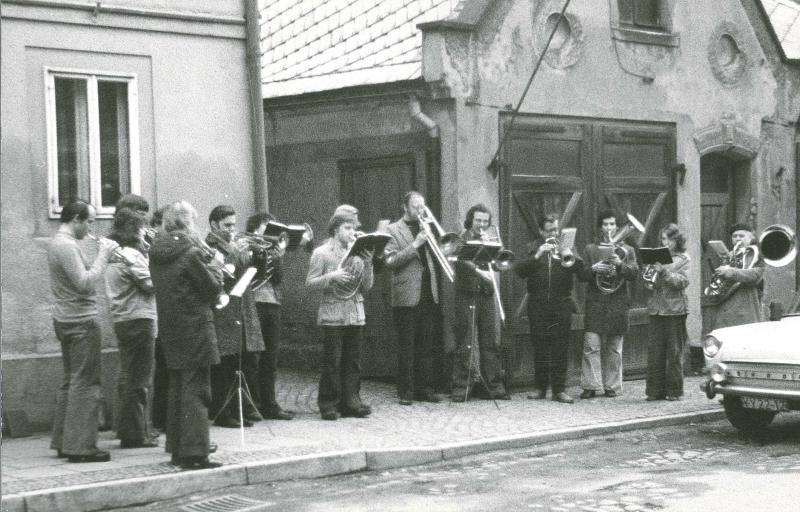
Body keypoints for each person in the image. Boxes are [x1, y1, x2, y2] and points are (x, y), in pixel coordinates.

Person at [149, 201, 223, 470]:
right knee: (197, 392)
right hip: (195, 327)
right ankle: (195, 453)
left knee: (178, 390)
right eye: (193, 221)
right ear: (186, 223)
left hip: (172, 328)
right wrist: (214, 265)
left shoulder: (157, 251)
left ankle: (179, 449)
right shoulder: (190, 253)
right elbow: (212, 288)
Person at [48, 200, 117, 463]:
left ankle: (63, 440)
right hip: (81, 321)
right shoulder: (65, 245)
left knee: (71, 381)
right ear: (76, 218)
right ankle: (80, 447)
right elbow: (85, 284)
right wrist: (104, 254)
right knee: (85, 383)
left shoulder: (60, 243)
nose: (90, 226)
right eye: (89, 221)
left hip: (67, 320)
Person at [306, 210, 374, 420]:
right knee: (332, 362)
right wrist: (332, 276)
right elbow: (310, 284)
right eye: (347, 228)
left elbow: (366, 287)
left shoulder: (358, 254)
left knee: (353, 361)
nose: (352, 232)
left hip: (355, 312)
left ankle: (351, 401)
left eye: (354, 228)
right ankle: (328, 404)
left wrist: (369, 263)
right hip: (333, 313)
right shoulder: (322, 253)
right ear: (335, 229)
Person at [513, 214, 583, 404]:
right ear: (542, 232)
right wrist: (538, 255)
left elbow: (583, 273)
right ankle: (540, 388)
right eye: (550, 230)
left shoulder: (567, 247)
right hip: (538, 304)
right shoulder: (532, 248)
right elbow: (519, 270)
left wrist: (571, 255)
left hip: (562, 304)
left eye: (556, 230)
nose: (554, 233)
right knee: (540, 347)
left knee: (561, 347)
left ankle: (560, 389)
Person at [206, 205, 265, 428]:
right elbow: (223, 271)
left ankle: (239, 408)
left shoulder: (232, 244)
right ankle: (223, 411)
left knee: (240, 360)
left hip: (241, 306)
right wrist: (235, 251)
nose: (232, 230)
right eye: (227, 225)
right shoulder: (211, 245)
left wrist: (257, 254)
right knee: (225, 363)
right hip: (225, 309)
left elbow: (249, 272)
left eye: (233, 224)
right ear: (213, 225)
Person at [105, 208, 159, 447]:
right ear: (135, 230)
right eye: (143, 228)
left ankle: (127, 429)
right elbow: (150, 284)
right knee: (139, 380)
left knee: (128, 377)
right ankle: (136, 434)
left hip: (122, 319)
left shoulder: (114, 253)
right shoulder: (131, 255)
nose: (146, 232)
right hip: (140, 319)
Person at [384, 192, 443, 405]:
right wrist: (415, 244)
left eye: (422, 206)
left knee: (426, 345)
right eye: (416, 206)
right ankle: (406, 392)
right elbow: (390, 261)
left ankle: (425, 389)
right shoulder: (392, 230)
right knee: (407, 346)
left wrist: (435, 240)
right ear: (405, 207)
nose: (420, 210)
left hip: (429, 293)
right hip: (406, 296)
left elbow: (440, 255)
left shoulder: (426, 226)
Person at [450, 204, 510, 402]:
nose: (482, 225)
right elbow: (458, 258)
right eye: (478, 221)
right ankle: (462, 387)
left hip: (485, 294)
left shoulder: (491, 238)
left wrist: (494, 254)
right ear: (471, 220)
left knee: (489, 341)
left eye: (485, 221)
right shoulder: (461, 237)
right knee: (465, 341)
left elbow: (499, 264)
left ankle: (493, 386)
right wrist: (478, 270)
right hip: (466, 294)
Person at [577, 210, 638, 399]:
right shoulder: (590, 249)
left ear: (617, 227)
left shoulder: (628, 250)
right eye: (605, 224)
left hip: (617, 302)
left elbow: (634, 273)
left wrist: (619, 264)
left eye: (612, 224)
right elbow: (581, 275)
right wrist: (593, 269)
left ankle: (612, 386)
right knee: (591, 346)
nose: (609, 228)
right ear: (599, 227)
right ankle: (590, 385)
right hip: (596, 302)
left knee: (614, 348)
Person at [246, 212, 295, 421]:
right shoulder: (247, 245)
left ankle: (270, 404)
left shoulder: (273, 249)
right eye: (267, 228)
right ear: (256, 229)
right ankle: (253, 404)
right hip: (254, 302)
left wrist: (278, 256)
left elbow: (278, 279)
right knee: (253, 358)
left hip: (272, 302)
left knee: (270, 357)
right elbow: (252, 273)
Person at [645, 223, 690, 401]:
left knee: (674, 352)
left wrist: (663, 272)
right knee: (655, 352)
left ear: (677, 241)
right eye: (664, 239)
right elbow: (651, 284)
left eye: (670, 239)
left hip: (675, 310)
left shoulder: (683, 259)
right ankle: (654, 391)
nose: (666, 242)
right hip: (656, 309)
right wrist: (648, 275)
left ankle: (674, 391)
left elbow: (682, 282)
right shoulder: (658, 257)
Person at [711, 223, 764, 329]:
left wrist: (731, 272)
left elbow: (756, 275)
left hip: (746, 306)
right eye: (734, 236)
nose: (737, 238)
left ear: (750, 238)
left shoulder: (757, 254)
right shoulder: (729, 255)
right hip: (725, 307)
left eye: (741, 236)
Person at [148, 207, 169, 431]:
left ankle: (162, 419)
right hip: (157, 314)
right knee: (163, 370)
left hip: (162, 312)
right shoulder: (154, 243)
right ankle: (160, 419)